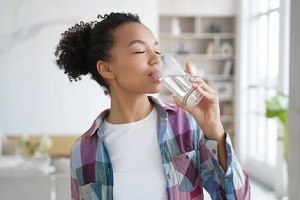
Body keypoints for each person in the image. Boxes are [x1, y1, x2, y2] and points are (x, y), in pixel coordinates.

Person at [54, 12, 250, 200]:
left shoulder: (185, 126)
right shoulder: (83, 150)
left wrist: (214, 129)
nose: (156, 58)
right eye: (140, 51)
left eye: (157, 50)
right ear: (106, 68)